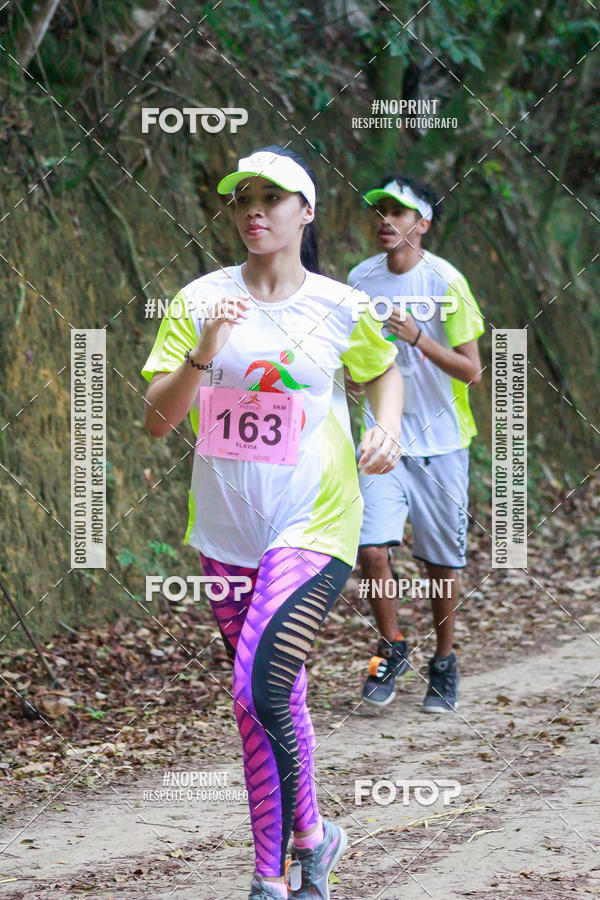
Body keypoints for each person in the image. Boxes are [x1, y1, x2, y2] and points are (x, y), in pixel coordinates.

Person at [142, 146, 404, 900]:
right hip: (228, 531)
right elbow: (158, 423)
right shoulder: (201, 298)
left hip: (315, 519)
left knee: (256, 685)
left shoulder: (338, 305)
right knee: (268, 700)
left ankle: (267, 879)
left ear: (307, 212)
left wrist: (384, 427)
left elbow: (381, 369)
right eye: (243, 197)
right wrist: (204, 353)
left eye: (274, 196)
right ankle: (314, 842)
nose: (254, 208)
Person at [346, 174, 484, 714]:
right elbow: (354, 353)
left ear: (421, 225)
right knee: (370, 549)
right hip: (382, 436)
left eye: (398, 213)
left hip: (443, 442)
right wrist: (355, 378)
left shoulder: (446, 282)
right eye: (379, 210)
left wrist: (420, 339)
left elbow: (471, 370)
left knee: (439, 564)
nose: (385, 219)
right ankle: (392, 646)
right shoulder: (360, 278)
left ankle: (444, 662)